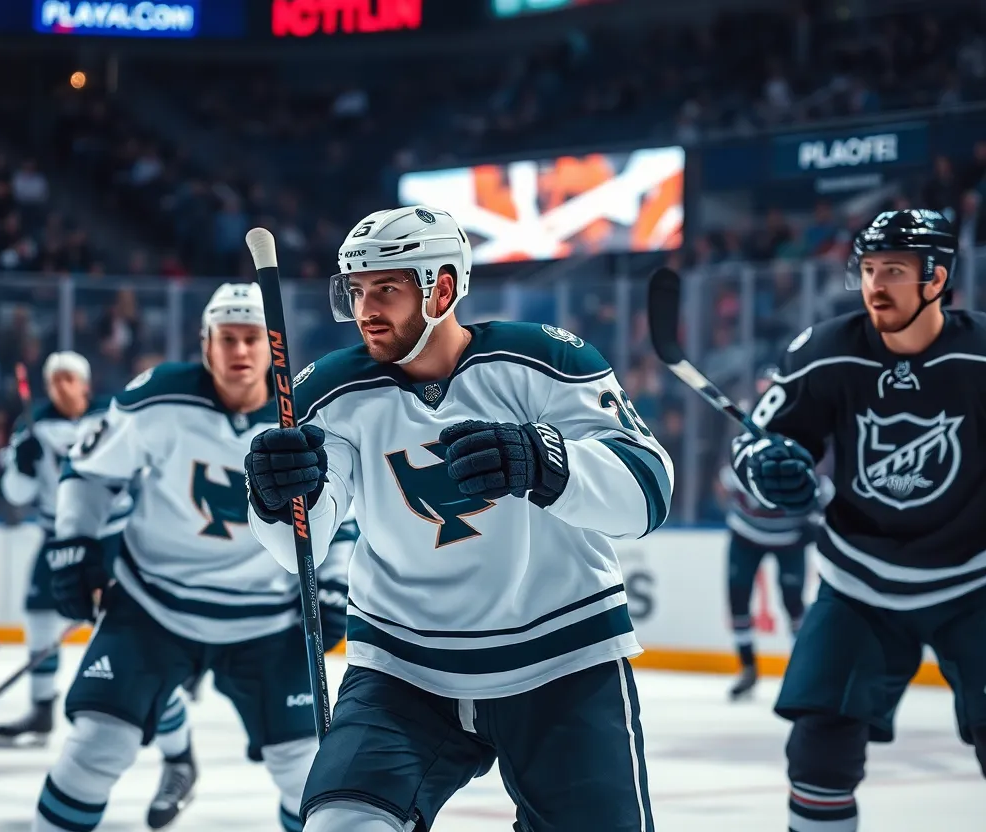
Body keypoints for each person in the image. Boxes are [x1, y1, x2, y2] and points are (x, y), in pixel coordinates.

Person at [245, 205, 674, 832]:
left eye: (386, 288)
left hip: (563, 658)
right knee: (343, 825)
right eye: (357, 289)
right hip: (401, 666)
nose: (366, 308)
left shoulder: (544, 361)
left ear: (442, 288)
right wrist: (277, 496)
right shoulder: (331, 394)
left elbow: (648, 490)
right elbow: (299, 544)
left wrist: (545, 461)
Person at [30, 283, 356, 832]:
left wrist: (334, 583)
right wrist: (75, 543)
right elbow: (88, 473)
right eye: (227, 338)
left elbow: (341, 510)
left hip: (268, 619)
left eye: (252, 337)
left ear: (273, 345)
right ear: (206, 345)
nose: (240, 351)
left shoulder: (312, 410)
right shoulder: (159, 398)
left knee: (307, 775)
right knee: (93, 749)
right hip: (153, 608)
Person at [731, 209, 986, 831]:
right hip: (860, 585)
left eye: (894, 271)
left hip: (976, 583)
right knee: (817, 753)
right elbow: (755, 442)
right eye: (868, 269)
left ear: (937, 278)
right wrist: (766, 466)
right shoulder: (824, 352)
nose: (875, 284)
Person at [0, 351, 195, 828]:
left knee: (138, 653)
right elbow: (16, 495)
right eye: (55, 379)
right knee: (40, 617)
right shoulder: (33, 426)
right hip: (57, 536)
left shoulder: (115, 412)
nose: (62, 386)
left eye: (70, 379)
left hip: (116, 540)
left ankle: (178, 754)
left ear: (85, 384)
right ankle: (41, 709)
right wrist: (20, 466)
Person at [721, 370, 833, 701]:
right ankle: (748, 668)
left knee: (794, 603)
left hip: (789, 538)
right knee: (738, 599)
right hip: (746, 533)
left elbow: (822, 490)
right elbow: (726, 480)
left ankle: (806, 670)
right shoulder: (742, 433)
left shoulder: (807, 432)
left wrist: (813, 506)